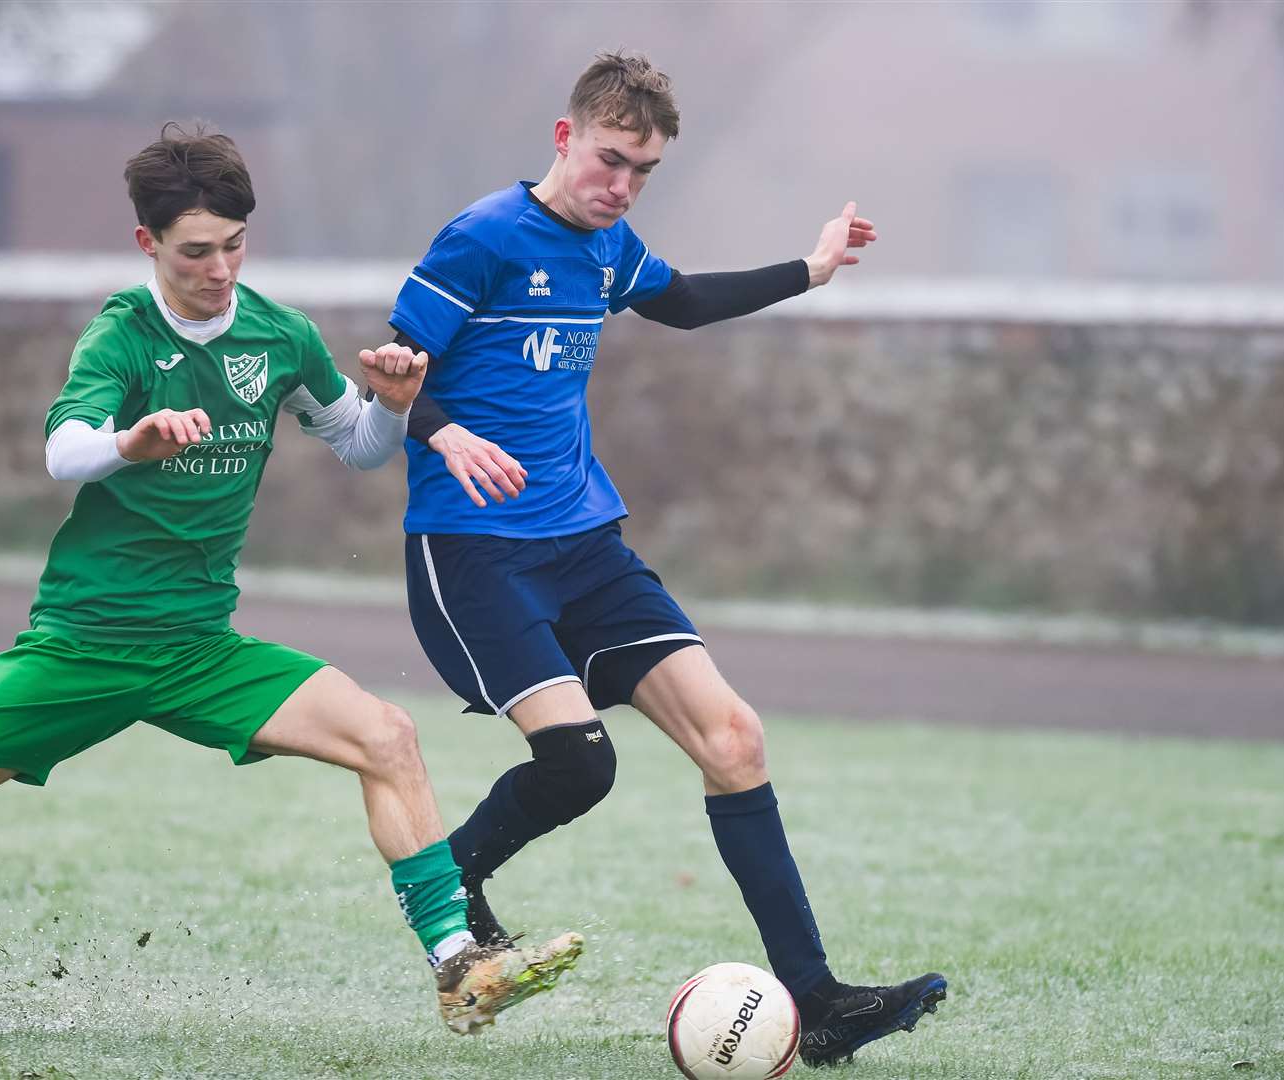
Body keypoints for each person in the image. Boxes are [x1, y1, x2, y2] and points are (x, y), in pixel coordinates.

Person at [0, 122, 582, 1036]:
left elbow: (360, 448)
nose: (220, 269)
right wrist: (128, 442)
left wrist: (395, 406)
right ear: (150, 245)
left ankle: (456, 963)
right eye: (197, 252)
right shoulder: (122, 335)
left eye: (235, 246)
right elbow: (63, 451)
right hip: (85, 642)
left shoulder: (278, 336)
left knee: (388, 736)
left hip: (200, 648)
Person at [385, 53, 945, 1065]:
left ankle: (816, 1002)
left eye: (643, 171)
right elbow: (389, 374)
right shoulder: (480, 239)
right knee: (582, 764)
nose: (623, 186)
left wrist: (809, 270)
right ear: (565, 139)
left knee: (735, 740)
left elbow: (678, 299)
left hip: (587, 544)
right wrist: (444, 432)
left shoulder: (610, 249)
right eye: (611, 160)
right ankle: (451, 883)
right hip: (475, 552)